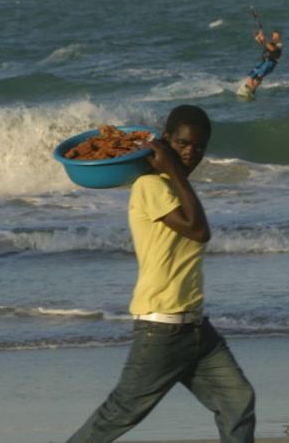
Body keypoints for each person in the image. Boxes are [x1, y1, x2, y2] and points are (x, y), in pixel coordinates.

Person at [67, 105, 256, 443]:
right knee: (119, 414)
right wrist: (176, 173)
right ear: (166, 142)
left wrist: (178, 175)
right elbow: (198, 231)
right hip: (162, 329)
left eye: (198, 147)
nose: (190, 153)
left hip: (197, 329)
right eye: (182, 144)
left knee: (237, 400)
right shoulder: (150, 186)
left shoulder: (175, 185)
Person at [241, 28, 282, 97]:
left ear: (279, 38)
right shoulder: (269, 43)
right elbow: (261, 42)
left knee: (260, 76)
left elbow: (272, 49)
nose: (275, 38)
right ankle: (251, 90)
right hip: (263, 62)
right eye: (274, 37)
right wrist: (258, 36)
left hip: (270, 63)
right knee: (250, 76)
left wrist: (264, 40)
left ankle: (252, 90)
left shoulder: (279, 44)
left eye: (277, 37)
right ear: (272, 37)